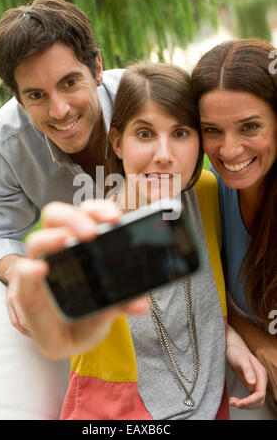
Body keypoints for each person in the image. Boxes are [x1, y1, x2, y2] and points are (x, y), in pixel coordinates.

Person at [20, 62, 267, 420]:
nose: (164, 154)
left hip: (213, 407)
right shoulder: (93, 233)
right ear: (118, 142)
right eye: (145, 134)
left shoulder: (208, 193)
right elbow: (60, 321)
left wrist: (228, 337)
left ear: (200, 142)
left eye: (181, 133)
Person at [0, 0, 124, 335]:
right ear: (17, 98)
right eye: (36, 95)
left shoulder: (147, 101)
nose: (59, 111)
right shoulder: (0, 148)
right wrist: (18, 272)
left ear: (97, 67)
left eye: (69, 83)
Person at [191, 38, 277, 413]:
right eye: (212, 130)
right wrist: (259, 342)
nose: (229, 150)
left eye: (250, 126)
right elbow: (204, 289)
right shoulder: (208, 192)